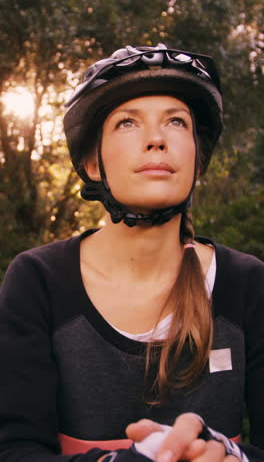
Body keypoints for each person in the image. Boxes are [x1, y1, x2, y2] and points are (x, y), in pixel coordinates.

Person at [0, 44, 263, 462]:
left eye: (176, 122)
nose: (156, 139)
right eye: (127, 123)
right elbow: (15, 449)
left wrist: (232, 455)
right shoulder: (39, 279)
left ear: (197, 160)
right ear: (91, 162)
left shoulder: (248, 282)